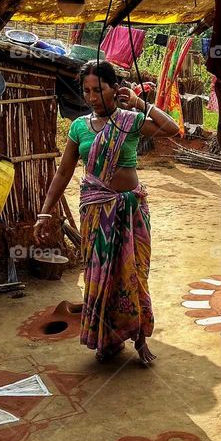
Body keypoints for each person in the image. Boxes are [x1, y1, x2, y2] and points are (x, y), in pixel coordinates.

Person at [34, 60, 179, 364]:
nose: (91, 97)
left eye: (98, 90)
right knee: (99, 277)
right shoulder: (79, 127)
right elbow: (63, 174)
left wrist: (140, 102)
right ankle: (108, 339)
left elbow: (172, 129)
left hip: (130, 211)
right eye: (86, 91)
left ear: (115, 88)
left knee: (133, 274)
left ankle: (139, 338)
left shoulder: (131, 120)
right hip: (95, 215)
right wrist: (45, 212)